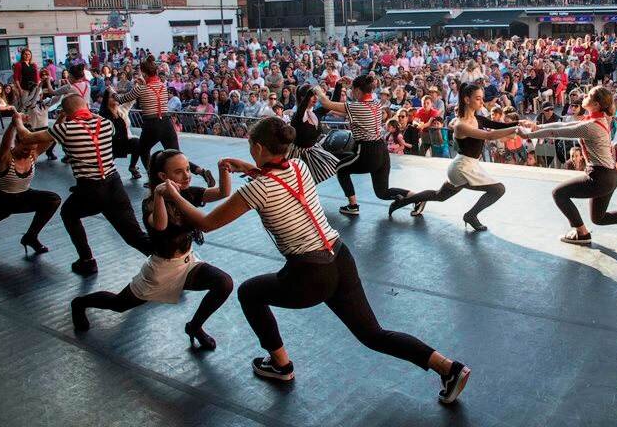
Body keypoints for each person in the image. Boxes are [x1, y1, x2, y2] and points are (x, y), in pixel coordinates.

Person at [161, 117, 471, 403]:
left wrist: (172, 193)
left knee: (249, 293)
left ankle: (281, 365)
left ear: (257, 147)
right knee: (373, 334)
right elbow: (277, 178)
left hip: (308, 274)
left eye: (249, 148)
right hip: (339, 257)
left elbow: (206, 224)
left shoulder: (256, 190)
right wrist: (250, 167)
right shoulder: (298, 166)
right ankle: (448, 367)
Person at [71, 150, 234, 350]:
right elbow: (160, 225)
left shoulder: (188, 193)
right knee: (119, 304)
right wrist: (159, 196)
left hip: (187, 262)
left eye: (187, 169)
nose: (187, 175)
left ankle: (195, 326)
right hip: (162, 270)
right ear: (163, 177)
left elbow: (223, 193)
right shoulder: (150, 204)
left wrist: (223, 169)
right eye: (179, 172)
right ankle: (79, 303)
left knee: (223, 283)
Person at [14, 94, 152, 275]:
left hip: (90, 189)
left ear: (66, 113)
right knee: (134, 235)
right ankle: (167, 259)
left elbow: (26, 137)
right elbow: (90, 119)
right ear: (86, 106)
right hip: (114, 184)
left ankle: (87, 260)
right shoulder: (105, 124)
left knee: (68, 213)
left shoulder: (65, 129)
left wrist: (17, 120)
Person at [519, 86, 617, 244]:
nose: (584, 96)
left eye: (588, 95)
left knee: (558, 194)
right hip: (609, 176)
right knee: (599, 218)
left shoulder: (590, 126)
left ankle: (581, 233)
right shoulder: (597, 118)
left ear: (596, 104)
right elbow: (563, 126)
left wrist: (528, 135)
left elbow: (556, 133)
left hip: (599, 177)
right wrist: (536, 126)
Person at [388, 83, 525, 231]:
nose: (481, 102)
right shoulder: (461, 124)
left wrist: (521, 123)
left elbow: (498, 126)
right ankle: (471, 215)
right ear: (467, 100)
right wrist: (516, 129)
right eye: (478, 98)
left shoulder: (479, 119)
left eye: (482, 98)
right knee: (498, 189)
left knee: (439, 196)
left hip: (465, 166)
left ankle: (401, 202)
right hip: (462, 168)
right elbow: (489, 135)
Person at [315, 74, 410, 216]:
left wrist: (317, 89)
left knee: (341, 169)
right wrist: (347, 84)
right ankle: (415, 196)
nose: (351, 92)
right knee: (382, 192)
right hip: (382, 150)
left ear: (358, 91)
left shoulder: (356, 107)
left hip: (367, 151)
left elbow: (326, 104)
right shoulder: (377, 103)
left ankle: (353, 206)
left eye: (353, 90)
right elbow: (361, 96)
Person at [114, 56, 214, 186]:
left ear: (143, 73)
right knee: (176, 154)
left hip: (151, 124)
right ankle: (201, 171)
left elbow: (122, 99)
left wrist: (113, 92)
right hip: (166, 123)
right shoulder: (162, 86)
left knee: (143, 150)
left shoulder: (141, 88)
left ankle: (152, 179)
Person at [0, 118, 61, 255]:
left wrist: (62, 118)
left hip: (22, 197)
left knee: (53, 200)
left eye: (31, 149)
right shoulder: (6, 158)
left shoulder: (33, 154)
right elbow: (5, 143)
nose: (28, 152)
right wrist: (13, 124)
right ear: (16, 143)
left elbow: (52, 135)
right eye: (25, 148)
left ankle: (30, 237)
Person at [288, 85, 339, 184]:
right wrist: (312, 90)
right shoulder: (297, 116)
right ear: (304, 97)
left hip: (312, 150)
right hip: (297, 154)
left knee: (334, 167)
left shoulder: (316, 113)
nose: (315, 98)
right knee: (296, 182)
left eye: (316, 95)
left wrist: (338, 85)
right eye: (312, 95)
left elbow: (332, 103)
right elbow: (301, 110)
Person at [99, 88, 142, 179]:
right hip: (110, 144)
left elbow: (131, 100)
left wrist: (137, 86)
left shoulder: (121, 110)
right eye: (112, 97)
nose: (115, 98)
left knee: (137, 142)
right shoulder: (103, 114)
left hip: (124, 141)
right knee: (105, 172)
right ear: (107, 99)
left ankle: (132, 167)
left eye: (116, 96)